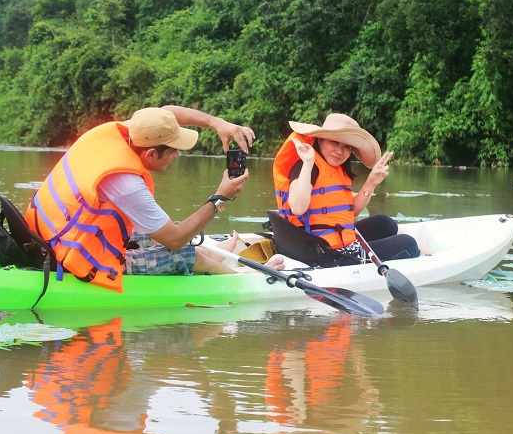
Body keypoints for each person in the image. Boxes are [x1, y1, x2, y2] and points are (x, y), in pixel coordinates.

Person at [26, 105, 283, 293]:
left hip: (49, 231)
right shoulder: (127, 183)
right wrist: (219, 197)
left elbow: (168, 112)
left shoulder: (128, 133)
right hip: (70, 252)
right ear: (150, 154)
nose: (177, 156)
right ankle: (241, 277)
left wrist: (218, 124)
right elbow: (175, 240)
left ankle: (214, 258)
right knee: (180, 254)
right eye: (173, 152)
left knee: (155, 230)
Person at [272, 113, 421, 262]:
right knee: (407, 244)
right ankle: (427, 256)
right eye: (334, 142)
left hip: (336, 243)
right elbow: (297, 208)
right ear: (320, 139)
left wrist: (371, 182)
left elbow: (351, 211)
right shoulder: (306, 166)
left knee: (384, 222)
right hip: (319, 251)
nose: (340, 151)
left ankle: (425, 253)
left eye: (346, 147)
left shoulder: (337, 169)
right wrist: (308, 162)